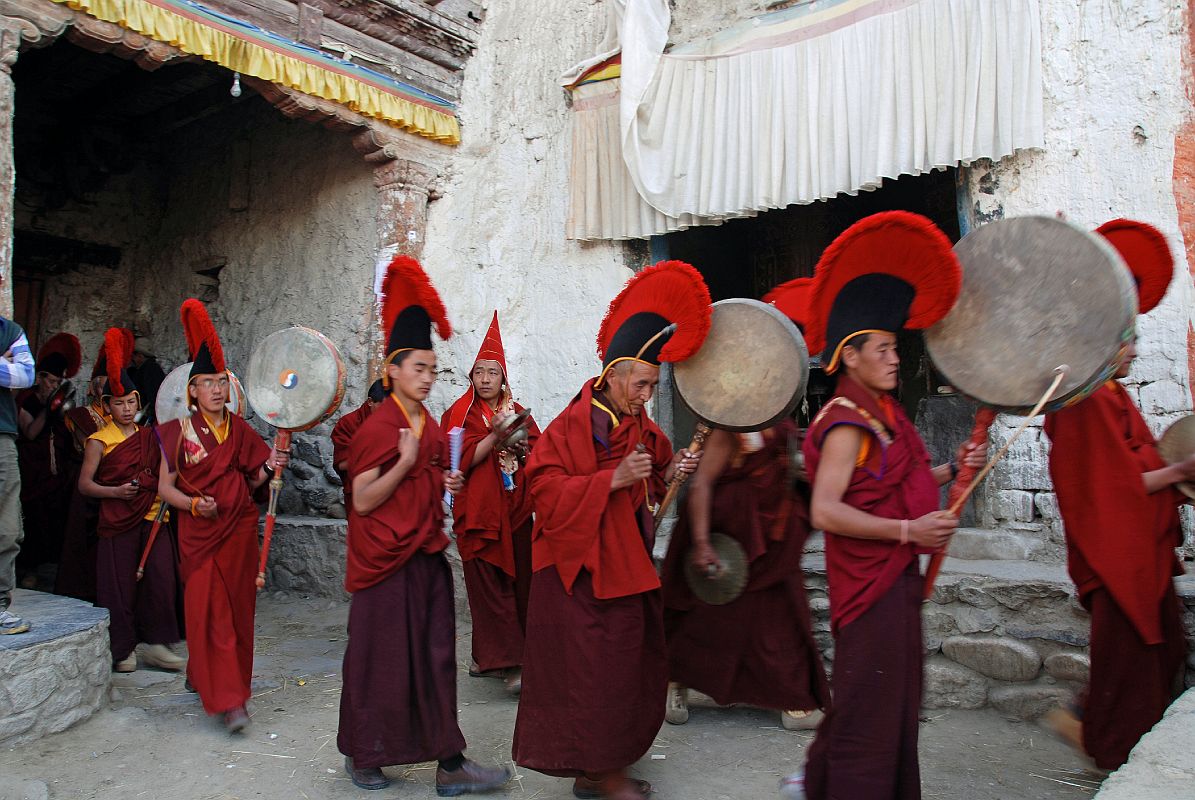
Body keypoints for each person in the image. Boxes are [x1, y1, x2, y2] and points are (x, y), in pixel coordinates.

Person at [791, 212, 985, 800]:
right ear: (849, 355)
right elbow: (826, 511)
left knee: (887, 707)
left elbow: (889, 480)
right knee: (870, 715)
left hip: (893, 582)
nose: (896, 359)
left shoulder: (884, 413)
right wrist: (908, 531)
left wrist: (952, 473)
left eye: (897, 348)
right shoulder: (847, 422)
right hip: (869, 590)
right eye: (883, 348)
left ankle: (822, 784)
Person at [513, 260, 711, 800]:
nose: (646, 395)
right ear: (613, 375)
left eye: (652, 386)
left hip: (625, 567)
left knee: (624, 670)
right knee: (593, 675)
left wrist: (674, 472)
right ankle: (601, 774)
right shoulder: (571, 425)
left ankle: (599, 768)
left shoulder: (639, 426)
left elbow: (656, 477)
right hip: (578, 573)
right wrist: (610, 480)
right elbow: (544, 491)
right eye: (641, 383)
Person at [338, 254, 511, 796]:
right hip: (384, 566)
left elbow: (446, 468)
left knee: (437, 659)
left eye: (434, 369)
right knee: (380, 660)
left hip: (424, 557)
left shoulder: (428, 423)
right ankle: (365, 755)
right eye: (420, 368)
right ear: (392, 369)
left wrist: (468, 463)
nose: (429, 377)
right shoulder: (378, 427)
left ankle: (450, 764)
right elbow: (364, 499)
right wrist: (410, 465)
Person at [1042, 219, 1195, 770]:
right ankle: (1106, 745)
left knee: (1149, 655)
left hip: (1133, 549)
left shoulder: (1112, 396)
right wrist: (1182, 468)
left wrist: (1172, 469)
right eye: (1126, 339)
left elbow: (1137, 467)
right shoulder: (1088, 402)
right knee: (1129, 658)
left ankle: (1103, 730)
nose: (1133, 350)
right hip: (1114, 552)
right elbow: (1118, 487)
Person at [661, 277, 829, 731]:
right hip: (725, 536)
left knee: (780, 617)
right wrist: (700, 545)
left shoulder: (779, 410)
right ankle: (674, 680)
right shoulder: (729, 415)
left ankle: (791, 695)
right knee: (707, 621)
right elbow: (703, 486)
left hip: (770, 534)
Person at [156, 300, 288, 733]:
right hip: (199, 535)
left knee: (235, 614)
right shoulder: (176, 433)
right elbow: (165, 488)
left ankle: (205, 675)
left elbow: (254, 481)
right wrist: (193, 505)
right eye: (206, 383)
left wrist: (272, 464)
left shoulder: (241, 430)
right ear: (191, 390)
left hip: (238, 534)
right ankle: (230, 702)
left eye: (221, 382)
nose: (216, 389)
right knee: (208, 612)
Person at [441, 312, 540, 694]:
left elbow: (538, 451)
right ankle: (507, 664)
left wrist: (519, 442)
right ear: (471, 376)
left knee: (520, 586)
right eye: (479, 372)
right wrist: (493, 437)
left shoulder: (517, 411)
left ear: (503, 378)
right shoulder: (458, 414)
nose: (485, 380)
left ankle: (492, 658)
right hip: (478, 514)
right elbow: (455, 456)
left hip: (515, 513)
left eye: (492, 373)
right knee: (487, 592)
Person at [78, 328, 183, 673]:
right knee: (119, 584)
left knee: (160, 580)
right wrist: (115, 492)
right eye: (118, 403)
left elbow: (164, 470)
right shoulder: (99, 440)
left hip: (154, 517)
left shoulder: (149, 437)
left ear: (139, 402)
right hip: (118, 520)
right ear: (107, 406)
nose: (125, 408)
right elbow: (85, 486)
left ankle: (155, 643)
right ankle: (123, 649)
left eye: (130, 402)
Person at [58, 330, 130, 602]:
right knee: (80, 543)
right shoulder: (80, 416)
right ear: (92, 387)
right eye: (101, 383)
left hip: (116, 483)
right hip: (88, 483)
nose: (104, 388)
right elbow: (88, 444)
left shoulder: (122, 417)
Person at [16, 333, 81, 589]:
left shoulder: (60, 401)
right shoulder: (25, 400)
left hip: (56, 471)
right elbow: (31, 431)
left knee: (54, 519)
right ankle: (28, 569)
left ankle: (49, 570)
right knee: (32, 519)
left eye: (59, 382)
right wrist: (48, 409)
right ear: (41, 377)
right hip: (32, 470)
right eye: (51, 380)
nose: (54, 385)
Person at [0, 313, 35, 635]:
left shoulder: (10, 330)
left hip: (4, 435)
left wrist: (11, 370)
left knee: (8, 528)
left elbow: (25, 375)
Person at [330, 378, 386, 510]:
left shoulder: (398, 423)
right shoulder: (349, 423)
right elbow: (342, 463)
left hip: (392, 493)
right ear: (370, 402)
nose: (388, 414)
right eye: (384, 408)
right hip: (360, 494)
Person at [128, 343, 167, 425]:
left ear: (140, 356)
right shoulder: (150, 368)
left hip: (148, 416)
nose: (132, 360)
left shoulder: (150, 369)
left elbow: (152, 394)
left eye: (134, 357)